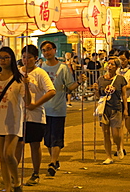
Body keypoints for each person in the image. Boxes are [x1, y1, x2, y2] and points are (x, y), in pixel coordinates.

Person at [40, 41, 85, 176]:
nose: (46, 52)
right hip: (43, 109)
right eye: (44, 50)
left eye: (49, 49)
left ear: (54, 50)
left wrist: (79, 82)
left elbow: (69, 87)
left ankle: (53, 162)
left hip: (58, 108)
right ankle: (55, 160)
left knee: (56, 137)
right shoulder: (40, 67)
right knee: (47, 139)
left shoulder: (63, 68)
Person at [0, 47, 31, 192]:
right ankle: (8, 187)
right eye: (0, 58)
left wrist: (26, 84)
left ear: (12, 59)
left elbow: (28, 101)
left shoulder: (19, 78)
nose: (3, 60)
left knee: (9, 154)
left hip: (13, 121)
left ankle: (16, 180)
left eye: (6, 57)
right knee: (1, 157)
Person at [18, 44, 56, 186]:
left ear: (35, 58)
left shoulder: (40, 73)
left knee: (34, 145)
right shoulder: (17, 72)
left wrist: (36, 104)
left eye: (29, 58)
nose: (25, 60)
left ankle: (35, 173)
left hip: (35, 115)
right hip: (18, 115)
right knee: (17, 144)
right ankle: (13, 173)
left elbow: (51, 91)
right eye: (23, 57)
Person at [93, 57, 127, 164]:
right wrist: (95, 90)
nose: (109, 66)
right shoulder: (101, 79)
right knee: (105, 132)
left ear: (117, 67)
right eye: (108, 64)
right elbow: (98, 95)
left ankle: (118, 146)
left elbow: (124, 95)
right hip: (104, 108)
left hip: (116, 107)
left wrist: (125, 109)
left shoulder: (120, 79)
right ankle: (109, 156)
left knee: (115, 134)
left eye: (112, 64)